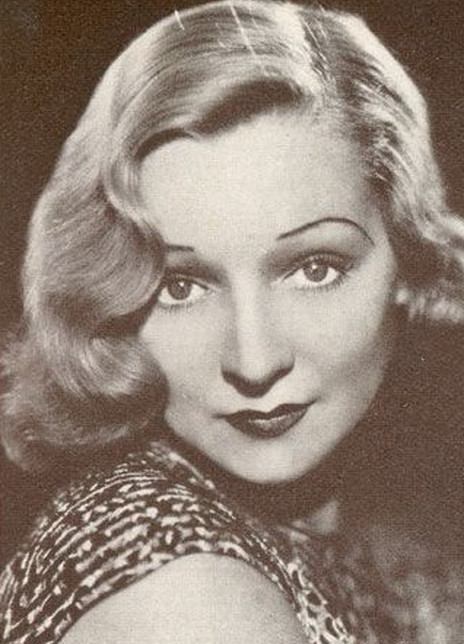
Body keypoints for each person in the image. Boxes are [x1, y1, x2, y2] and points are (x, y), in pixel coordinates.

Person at [1, 0, 463, 642]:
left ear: (407, 261)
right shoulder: (180, 591)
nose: (254, 361)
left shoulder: (383, 545)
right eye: (180, 286)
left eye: (315, 269)